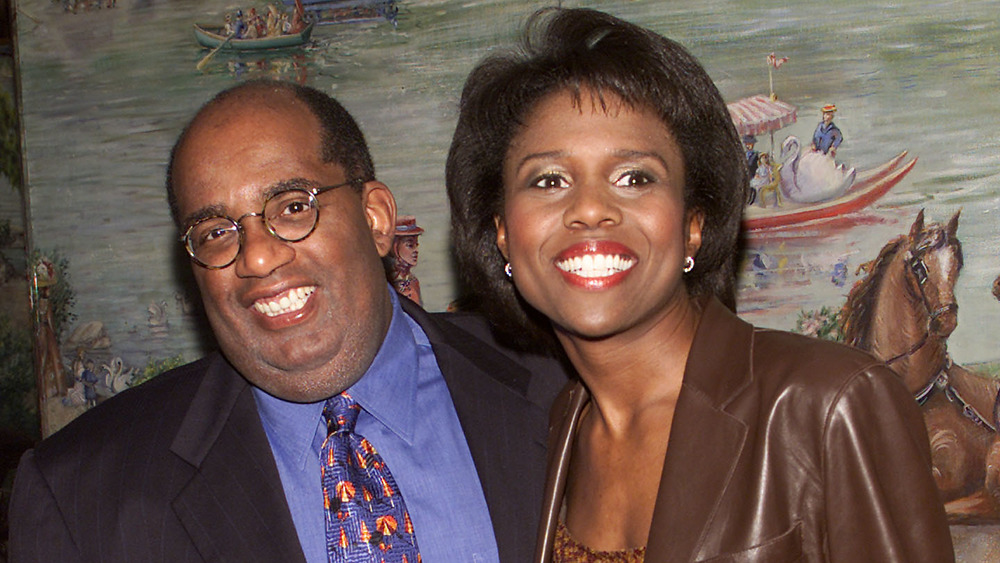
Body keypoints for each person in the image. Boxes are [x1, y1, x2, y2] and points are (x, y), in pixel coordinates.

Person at [447, 8, 954, 563]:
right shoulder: (558, 425)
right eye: (549, 180)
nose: (590, 208)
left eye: (634, 177)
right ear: (502, 235)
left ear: (694, 226)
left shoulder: (828, 404)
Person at [10, 79, 566, 562]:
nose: (255, 257)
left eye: (293, 206)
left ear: (376, 220)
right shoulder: (81, 494)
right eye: (215, 232)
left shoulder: (567, 391)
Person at [389, 215, 423, 306]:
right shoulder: (389, 283)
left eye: (416, 245)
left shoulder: (413, 280)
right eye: (410, 245)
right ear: (395, 247)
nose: (416, 250)